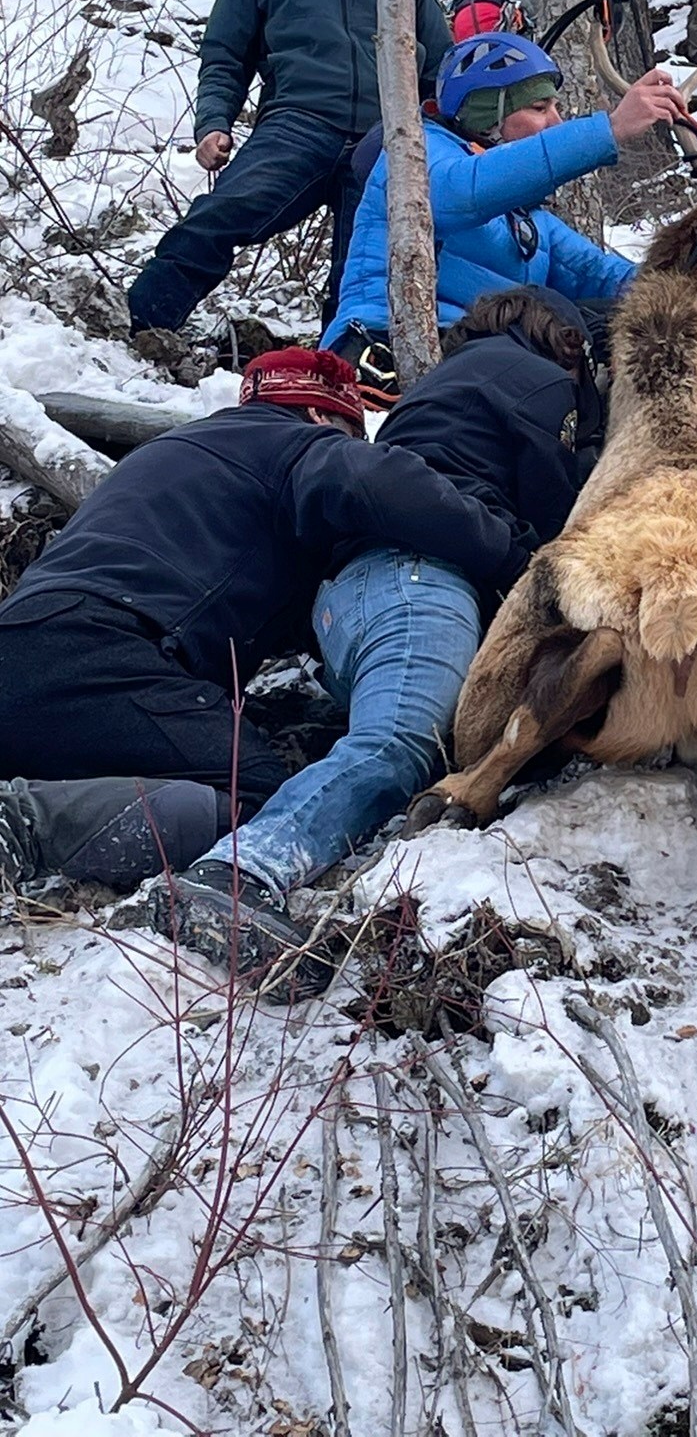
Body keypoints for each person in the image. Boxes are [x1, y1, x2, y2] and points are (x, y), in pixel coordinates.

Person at [159, 287, 605, 983]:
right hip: (419, 581)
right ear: (564, 339)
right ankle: (240, 874)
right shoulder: (540, 380)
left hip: (354, 600)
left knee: (402, 742)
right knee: (399, 739)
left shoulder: (446, 387)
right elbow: (562, 518)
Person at [0, 348, 534, 900]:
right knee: (250, 796)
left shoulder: (174, 451)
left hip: (22, 649)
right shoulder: (295, 445)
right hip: (108, 652)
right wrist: (514, 563)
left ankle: (43, 797)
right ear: (322, 416)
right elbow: (385, 485)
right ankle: (30, 824)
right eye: (352, 432)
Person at [126, 0, 453, 339]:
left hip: (385, 138)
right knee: (217, 217)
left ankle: (341, 373)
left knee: (364, 272)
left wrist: (451, 136)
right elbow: (225, 58)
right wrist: (213, 123)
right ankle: (138, 328)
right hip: (298, 126)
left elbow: (442, 69)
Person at [322, 30, 688, 378]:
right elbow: (465, 192)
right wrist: (609, 129)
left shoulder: (527, 218)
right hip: (379, 347)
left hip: (483, 354)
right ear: (486, 113)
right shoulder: (412, 154)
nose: (557, 121)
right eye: (540, 107)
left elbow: (603, 276)